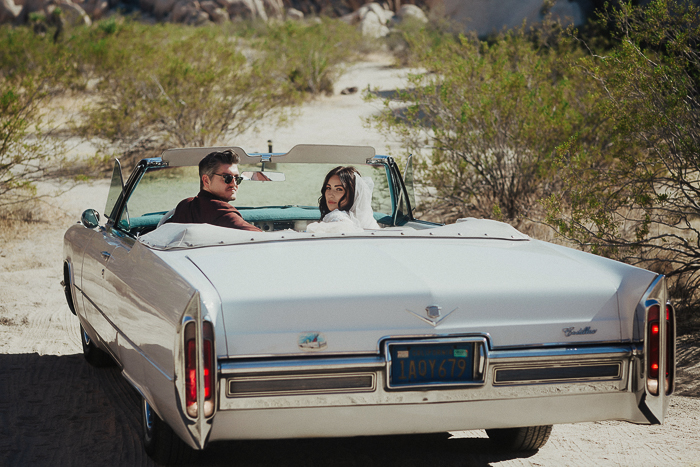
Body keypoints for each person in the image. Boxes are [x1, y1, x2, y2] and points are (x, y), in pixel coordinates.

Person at [165, 149, 261, 232]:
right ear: (206, 180)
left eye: (237, 178)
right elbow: (260, 237)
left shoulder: (185, 206)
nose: (234, 183)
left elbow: (162, 231)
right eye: (227, 178)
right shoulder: (221, 211)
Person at [306, 166, 380, 233]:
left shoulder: (337, 217)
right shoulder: (365, 220)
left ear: (352, 193)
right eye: (328, 188)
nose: (330, 194)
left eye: (339, 189)